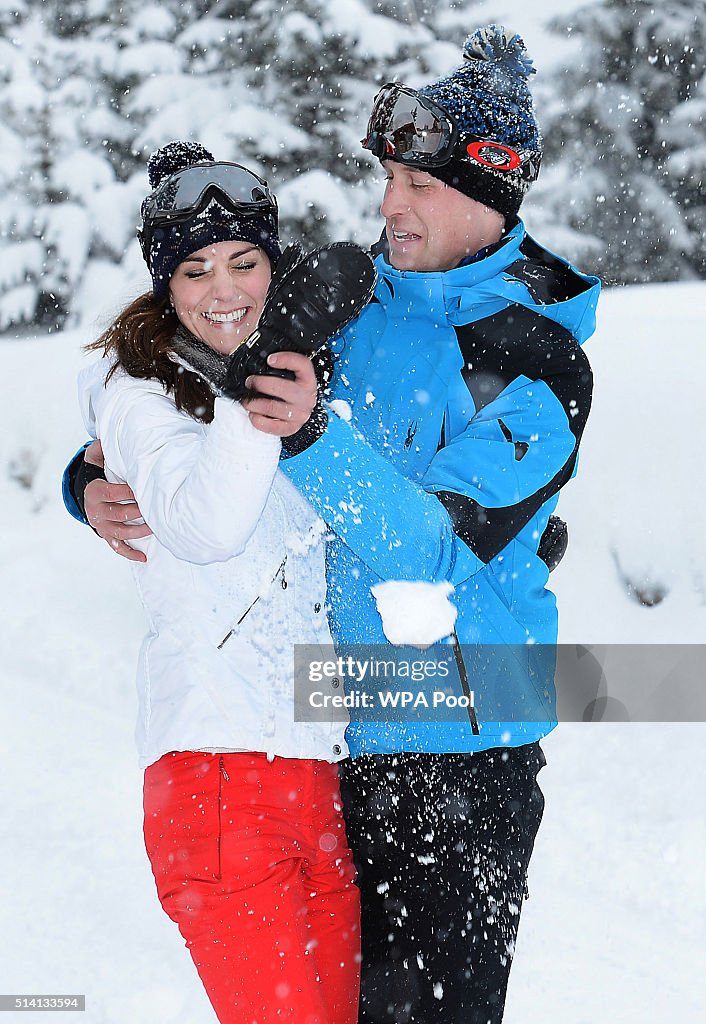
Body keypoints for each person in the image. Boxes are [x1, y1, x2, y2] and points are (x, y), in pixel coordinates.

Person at [65, 25, 601, 1024]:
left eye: (419, 186)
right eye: (388, 177)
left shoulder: (541, 361)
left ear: (490, 193)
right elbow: (196, 358)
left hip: (462, 762)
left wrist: (309, 433)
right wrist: (89, 475)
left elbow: (434, 548)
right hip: (332, 743)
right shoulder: (345, 292)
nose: (389, 203)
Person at [73, 140, 367, 1024]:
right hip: (215, 785)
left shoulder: (304, 379)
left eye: (246, 262)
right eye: (195, 271)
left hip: (319, 780)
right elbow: (203, 525)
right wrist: (262, 376)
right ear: (165, 288)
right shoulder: (137, 398)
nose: (224, 289)